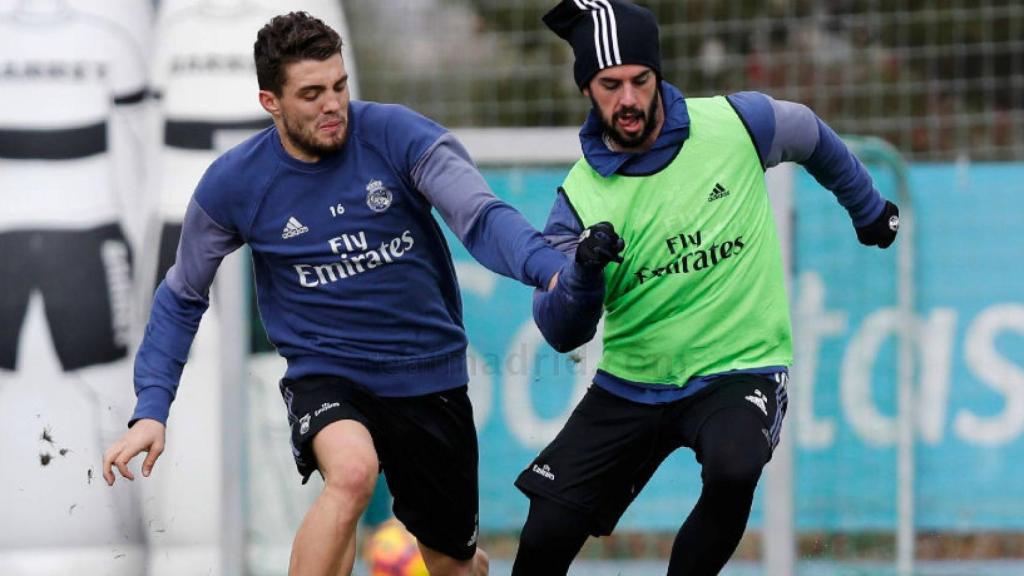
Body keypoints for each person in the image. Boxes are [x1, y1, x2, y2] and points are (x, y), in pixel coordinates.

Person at [101, 11, 568, 576]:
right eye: (312, 93)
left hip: (429, 375)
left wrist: (549, 267)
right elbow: (180, 296)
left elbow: (479, 216)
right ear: (270, 101)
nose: (332, 104)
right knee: (350, 475)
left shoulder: (400, 136)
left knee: (452, 565)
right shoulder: (235, 183)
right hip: (328, 371)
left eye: (340, 86)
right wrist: (151, 409)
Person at [512, 2, 900, 575]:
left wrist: (867, 210)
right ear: (587, 89)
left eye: (640, 80)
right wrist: (583, 274)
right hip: (632, 383)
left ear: (658, 75)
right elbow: (559, 329)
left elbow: (811, 134)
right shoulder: (578, 198)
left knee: (734, 468)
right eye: (610, 84)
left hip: (739, 368)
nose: (628, 99)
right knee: (545, 533)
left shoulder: (737, 124)